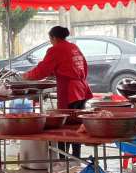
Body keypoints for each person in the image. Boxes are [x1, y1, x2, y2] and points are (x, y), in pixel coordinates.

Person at [23, 26, 93, 158]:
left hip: (70, 91)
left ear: (53, 37)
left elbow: (42, 69)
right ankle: (76, 157)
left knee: (64, 125)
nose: (50, 41)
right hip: (82, 89)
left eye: (50, 38)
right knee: (76, 124)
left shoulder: (56, 49)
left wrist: (26, 76)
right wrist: (57, 73)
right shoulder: (73, 47)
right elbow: (82, 66)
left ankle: (63, 159)